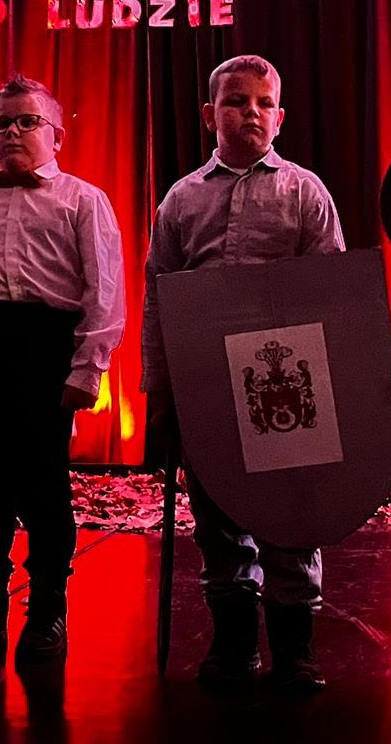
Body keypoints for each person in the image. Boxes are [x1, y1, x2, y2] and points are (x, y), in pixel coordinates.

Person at [143, 55, 346, 693]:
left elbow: (330, 290)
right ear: (210, 115)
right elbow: (159, 296)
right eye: (235, 101)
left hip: (283, 380)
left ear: (280, 117)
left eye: (263, 103)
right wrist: (160, 388)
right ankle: (233, 642)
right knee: (217, 514)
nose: (250, 112)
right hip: (206, 380)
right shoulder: (183, 199)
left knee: (290, 514)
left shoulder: (304, 193)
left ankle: (294, 646)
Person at [0, 76, 125, 668]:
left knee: (44, 488)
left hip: (45, 351)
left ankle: (48, 609)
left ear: (56, 136)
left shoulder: (83, 200)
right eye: (3, 122)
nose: (11, 132)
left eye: (26, 121)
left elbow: (104, 291)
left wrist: (88, 368)